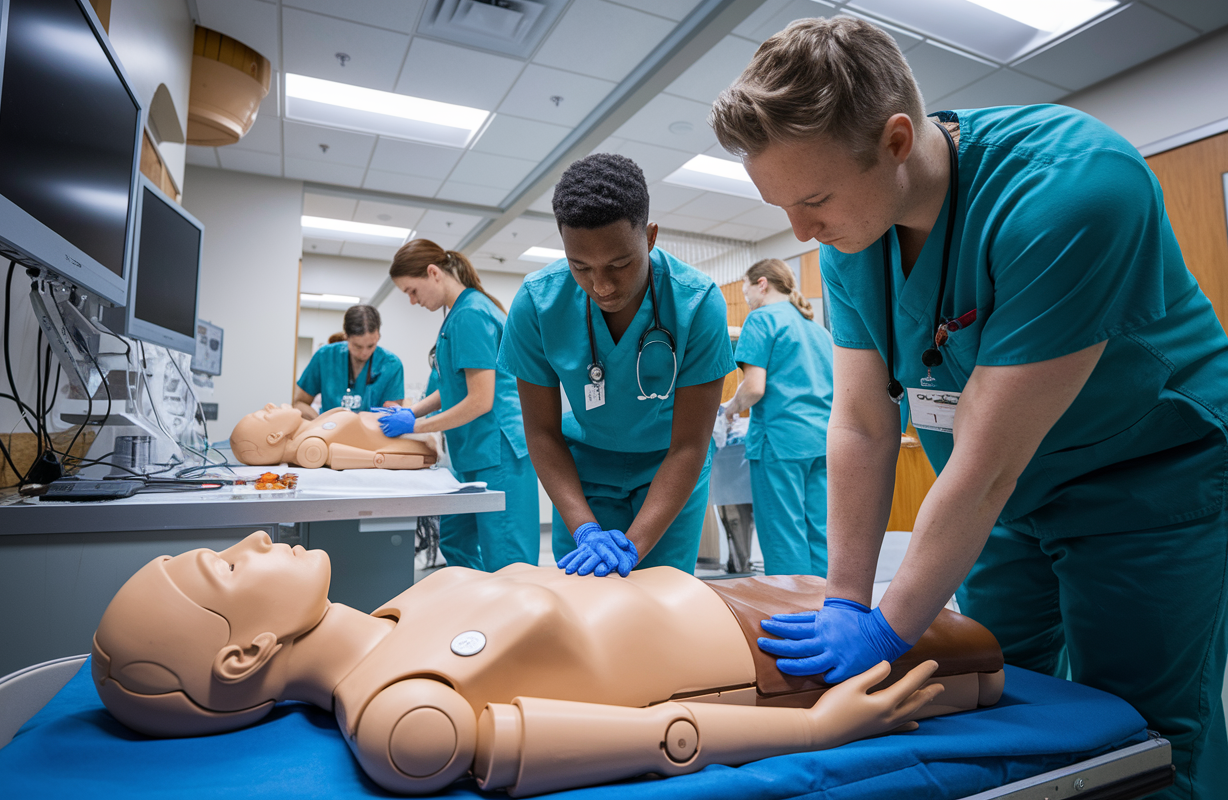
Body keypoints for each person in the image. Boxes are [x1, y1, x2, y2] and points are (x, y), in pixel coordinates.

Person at [710, 17, 1228, 800]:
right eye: (782, 206)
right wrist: (848, 598)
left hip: (1145, 476)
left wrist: (889, 631)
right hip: (1007, 500)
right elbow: (860, 420)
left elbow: (986, 464)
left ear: (894, 140)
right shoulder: (858, 232)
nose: (801, 232)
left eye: (813, 200)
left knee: (1144, 729)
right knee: (991, 690)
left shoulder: (1073, 188)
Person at [91, 531, 1005, 796]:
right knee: (983, 650)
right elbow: (653, 738)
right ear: (247, 653)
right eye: (227, 566)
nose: (252, 538)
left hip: (731, 594)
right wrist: (813, 727)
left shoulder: (390, 617)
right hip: (768, 661)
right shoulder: (401, 720)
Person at [498, 154, 735, 577]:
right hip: (583, 472)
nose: (601, 286)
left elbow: (689, 445)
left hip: (669, 468)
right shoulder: (537, 303)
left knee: (661, 608)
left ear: (650, 237)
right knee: (584, 610)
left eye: (620, 264)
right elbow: (541, 431)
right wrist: (586, 529)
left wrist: (634, 544)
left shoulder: (697, 303)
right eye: (580, 267)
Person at [379, 241, 539, 572]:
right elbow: (454, 387)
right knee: (453, 538)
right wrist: (413, 411)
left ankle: (511, 617)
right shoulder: (457, 315)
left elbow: (481, 400)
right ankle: (479, 602)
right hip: (472, 453)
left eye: (412, 291)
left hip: (498, 454)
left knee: (508, 560)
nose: (412, 301)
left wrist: (415, 427)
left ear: (433, 273)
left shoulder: (471, 314)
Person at [721, 258, 834, 576]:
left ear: (761, 283)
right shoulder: (818, 330)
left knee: (783, 533)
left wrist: (730, 408)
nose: (745, 296)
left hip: (780, 443)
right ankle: (824, 610)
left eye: (745, 288)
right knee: (819, 532)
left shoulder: (761, 321)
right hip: (822, 443)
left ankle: (792, 612)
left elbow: (754, 389)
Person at [229, 403, 437, 470]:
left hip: (398, 429)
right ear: (275, 436)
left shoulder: (310, 430)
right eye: (265, 414)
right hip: (404, 441)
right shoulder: (312, 444)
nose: (269, 406)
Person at [294, 305, 405, 419]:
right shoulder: (325, 356)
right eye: (357, 346)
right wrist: (320, 423)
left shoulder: (392, 365)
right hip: (330, 432)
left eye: (371, 346)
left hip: (371, 435)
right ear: (346, 336)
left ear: (378, 336)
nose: (364, 353)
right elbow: (299, 403)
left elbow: (393, 415)